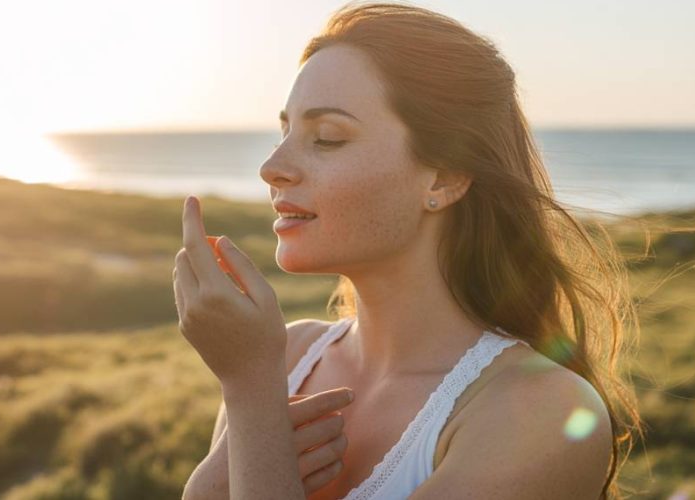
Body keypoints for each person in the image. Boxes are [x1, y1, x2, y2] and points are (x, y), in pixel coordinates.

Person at [175, 2, 643, 499]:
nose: (273, 165)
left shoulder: (541, 411)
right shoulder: (287, 356)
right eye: (284, 132)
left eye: (327, 138)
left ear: (443, 176)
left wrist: (250, 395)